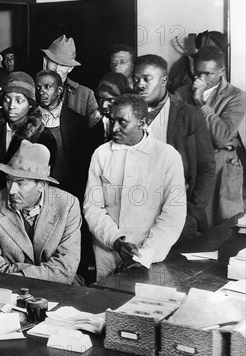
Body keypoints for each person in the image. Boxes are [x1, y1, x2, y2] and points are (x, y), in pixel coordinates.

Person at [84, 95, 187, 280]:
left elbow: (173, 214)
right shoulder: (101, 154)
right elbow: (92, 207)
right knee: (103, 301)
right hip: (106, 251)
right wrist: (116, 241)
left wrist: (145, 255)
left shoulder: (167, 157)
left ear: (142, 122)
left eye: (122, 122)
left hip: (150, 255)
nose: (114, 128)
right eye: (112, 120)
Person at [133, 54, 215, 241]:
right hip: (134, 213)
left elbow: (206, 168)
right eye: (136, 79)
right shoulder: (126, 115)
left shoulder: (189, 115)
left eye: (147, 79)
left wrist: (192, 213)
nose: (140, 85)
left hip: (177, 215)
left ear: (164, 80)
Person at [0, 140, 81, 284]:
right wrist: (45, 271)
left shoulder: (67, 205)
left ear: (42, 185)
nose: (11, 190)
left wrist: (19, 271)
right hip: (9, 291)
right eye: (8, 180)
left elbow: (65, 270)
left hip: (59, 291)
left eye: (20, 183)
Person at [173, 46, 246, 225]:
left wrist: (200, 102)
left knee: (225, 227)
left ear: (221, 71)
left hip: (222, 171)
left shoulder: (236, 97)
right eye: (197, 73)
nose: (199, 79)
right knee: (193, 228)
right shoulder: (180, 94)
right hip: (192, 168)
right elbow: (176, 134)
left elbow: (220, 136)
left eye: (207, 74)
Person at [0, 71, 57, 194]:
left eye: (19, 101)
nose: (11, 106)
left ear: (30, 104)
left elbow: (41, 183)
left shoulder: (44, 138)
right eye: (7, 100)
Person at [34, 70, 101, 201]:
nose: (41, 91)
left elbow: (82, 165)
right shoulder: (28, 120)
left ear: (59, 90)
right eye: (38, 87)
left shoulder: (77, 122)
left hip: (68, 191)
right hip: (36, 191)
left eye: (47, 87)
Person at [40, 34, 101, 128]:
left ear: (70, 68)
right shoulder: (30, 90)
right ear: (45, 62)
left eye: (63, 65)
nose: (57, 69)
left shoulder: (85, 95)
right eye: (54, 62)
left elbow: (95, 133)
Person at [95, 71, 132, 141]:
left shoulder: (131, 124)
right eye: (101, 99)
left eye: (110, 100)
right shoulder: (95, 121)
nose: (104, 106)